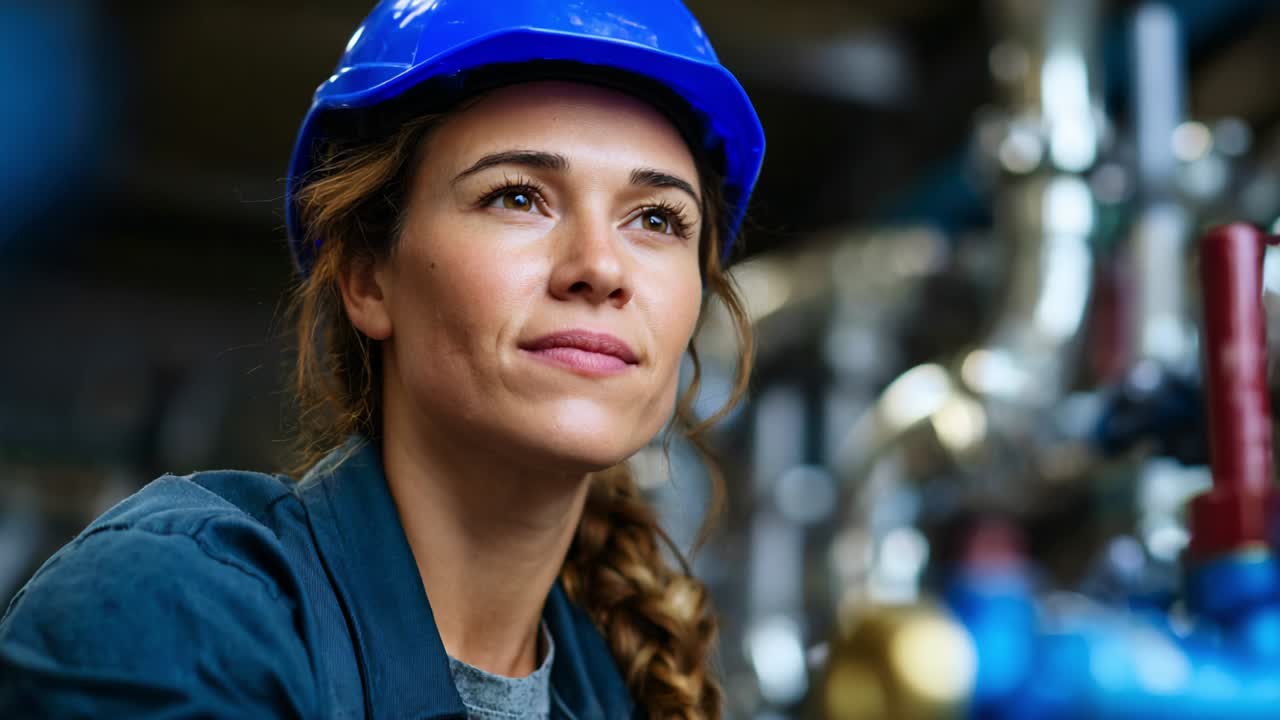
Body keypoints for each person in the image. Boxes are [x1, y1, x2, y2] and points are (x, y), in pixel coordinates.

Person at [0, 1, 764, 718]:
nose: (601, 266)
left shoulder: (610, 689)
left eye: (658, 218)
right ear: (368, 277)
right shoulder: (170, 611)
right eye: (518, 197)